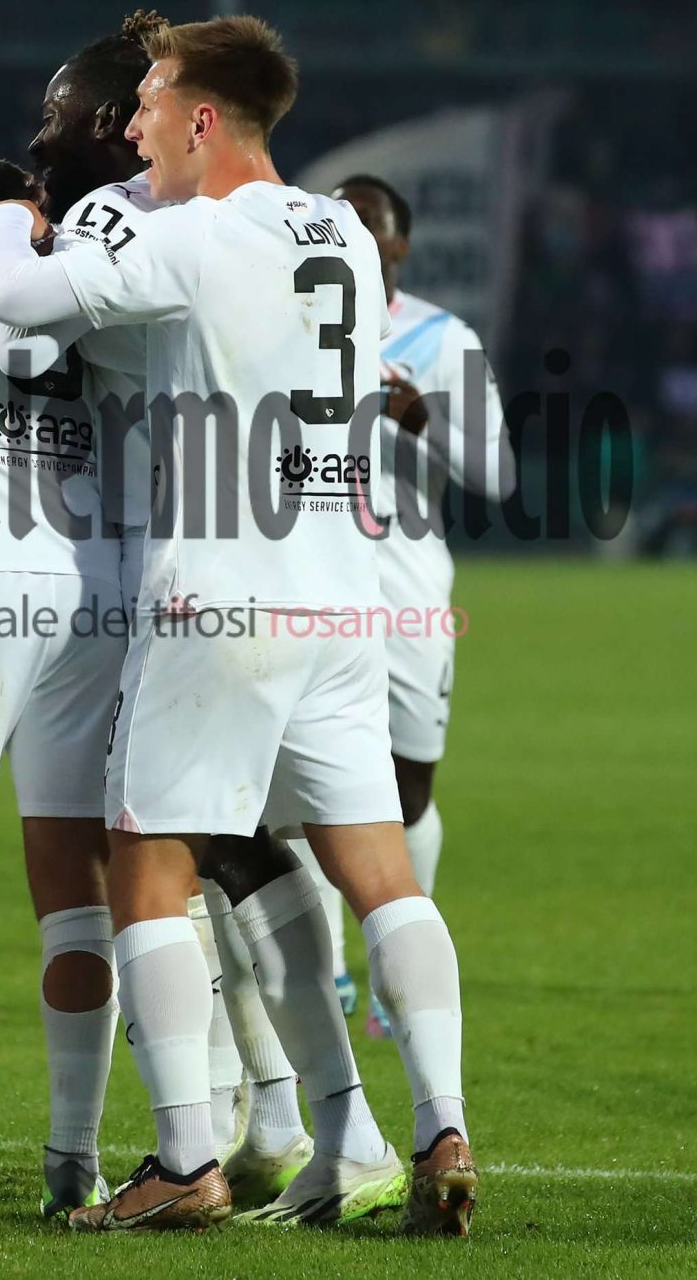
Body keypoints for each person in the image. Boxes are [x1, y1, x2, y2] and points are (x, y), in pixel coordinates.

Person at [0, 16, 478, 1237]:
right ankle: (442, 1127)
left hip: (219, 594)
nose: (132, 124)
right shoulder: (343, 233)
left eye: (147, 102)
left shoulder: (192, 237)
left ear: (201, 117)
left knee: (146, 860)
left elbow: (18, 314)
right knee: (381, 874)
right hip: (341, 599)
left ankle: (183, 1157)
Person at [0, 12, 320, 1216]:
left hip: (113, 574)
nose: (40, 142)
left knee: (88, 879)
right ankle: (289, 1110)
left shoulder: (103, 220)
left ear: (114, 124)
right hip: (266, 564)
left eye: (58, 118)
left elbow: (17, 334)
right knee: (227, 860)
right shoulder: (269, 224)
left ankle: (73, 1154)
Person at [295, 174, 514, 1040]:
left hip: (409, 591)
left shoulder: (441, 338)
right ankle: (333, 973)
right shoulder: (291, 319)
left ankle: (393, 964)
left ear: (398, 250)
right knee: (302, 780)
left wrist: (423, 420)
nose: (349, 243)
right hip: (307, 577)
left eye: (368, 234)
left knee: (409, 783)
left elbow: (498, 476)